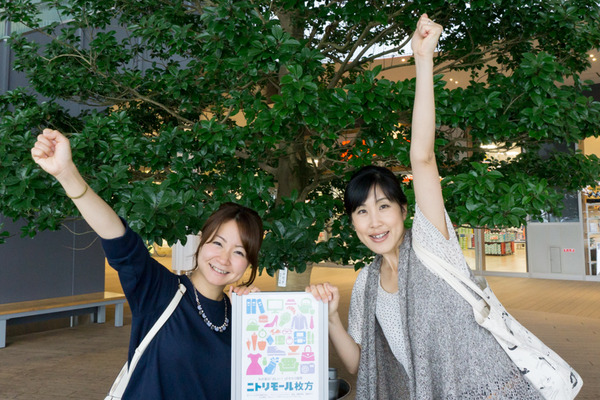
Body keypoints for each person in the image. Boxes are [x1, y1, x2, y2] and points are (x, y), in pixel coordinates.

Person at [307, 14, 544, 399]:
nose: (374, 221)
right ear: (352, 222)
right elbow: (361, 365)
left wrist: (422, 58)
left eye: (383, 206)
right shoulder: (367, 282)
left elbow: (422, 157)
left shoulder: (432, 246)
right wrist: (331, 318)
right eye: (362, 212)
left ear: (404, 210)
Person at [31, 128, 263, 400]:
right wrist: (67, 174)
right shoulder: (160, 290)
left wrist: (260, 315)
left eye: (239, 252)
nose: (224, 259)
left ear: (249, 263)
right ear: (201, 241)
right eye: (218, 243)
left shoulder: (242, 317)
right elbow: (120, 240)